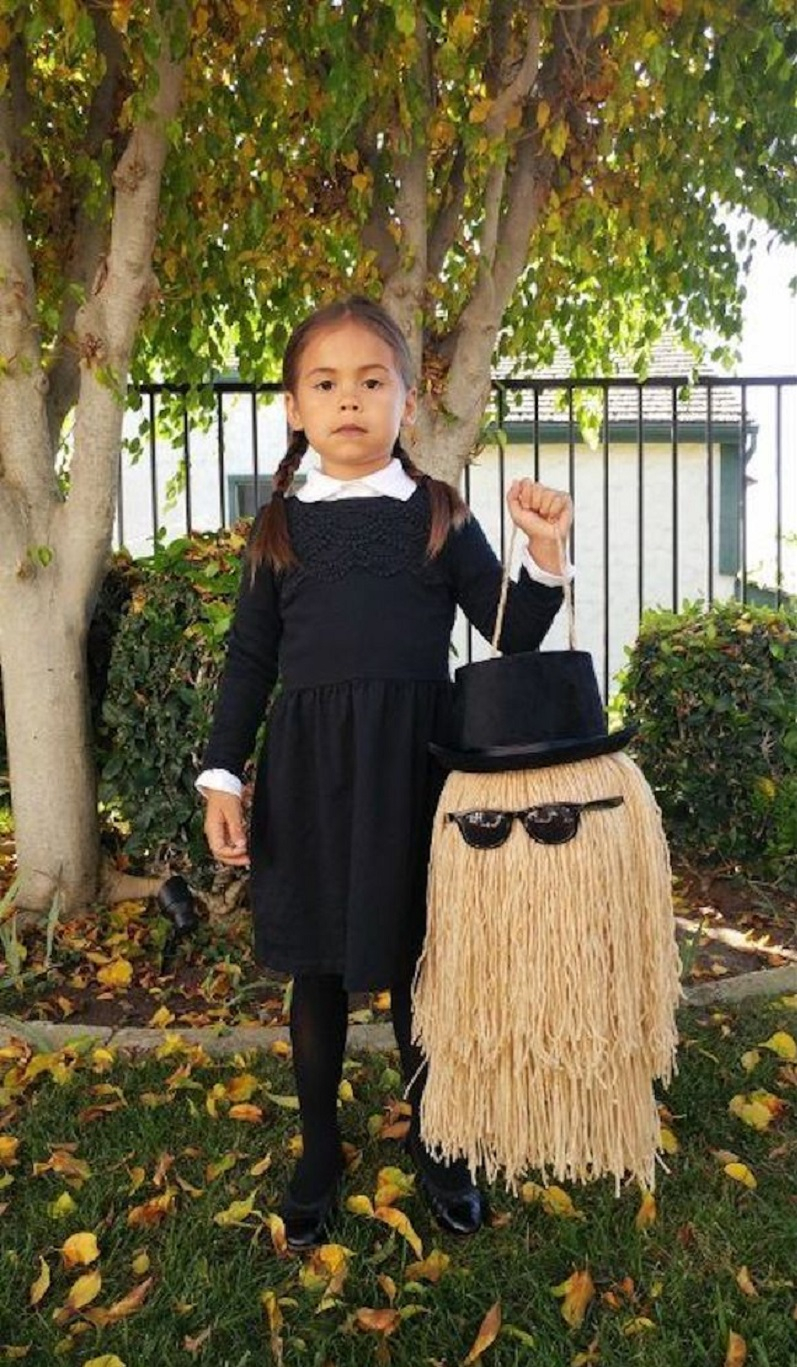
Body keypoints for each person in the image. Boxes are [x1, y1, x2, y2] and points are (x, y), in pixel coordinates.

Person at [197, 295, 573, 1251]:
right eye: (326, 383)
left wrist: (542, 554)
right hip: (312, 773)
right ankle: (319, 1148)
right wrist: (221, 779)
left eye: (373, 381)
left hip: (417, 773)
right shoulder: (278, 528)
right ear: (294, 405)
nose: (349, 399)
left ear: (407, 402)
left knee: (421, 965)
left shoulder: (439, 514)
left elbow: (508, 634)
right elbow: (249, 662)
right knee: (317, 970)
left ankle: (438, 1144)